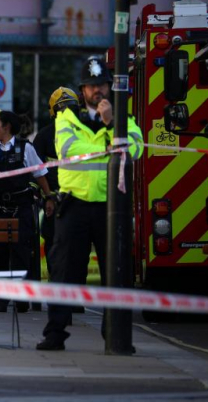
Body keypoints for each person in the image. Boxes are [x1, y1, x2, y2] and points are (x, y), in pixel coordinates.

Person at [37, 59, 143, 351]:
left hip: (111, 207)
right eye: (92, 85)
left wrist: (111, 124)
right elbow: (69, 150)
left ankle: (116, 337)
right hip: (75, 205)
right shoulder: (67, 118)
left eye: (102, 85)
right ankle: (55, 334)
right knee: (64, 272)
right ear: (83, 89)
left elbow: (134, 148)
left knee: (116, 274)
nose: (98, 90)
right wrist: (108, 147)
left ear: (109, 86)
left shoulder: (122, 116)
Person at [0, 111, 55, 313]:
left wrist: (49, 197)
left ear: (6, 127)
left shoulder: (25, 148)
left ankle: (21, 297)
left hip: (19, 209)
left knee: (21, 253)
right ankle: (0, 299)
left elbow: (40, 174)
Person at [32, 87, 80, 277]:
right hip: (54, 200)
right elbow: (34, 171)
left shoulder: (85, 133)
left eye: (71, 109)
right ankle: (58, 287)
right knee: (53, 244)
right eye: (62, 110)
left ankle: (77, 293)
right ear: (53, 113)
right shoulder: (44, 137)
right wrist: (46, 197)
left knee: (78, 247)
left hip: (79, 199)